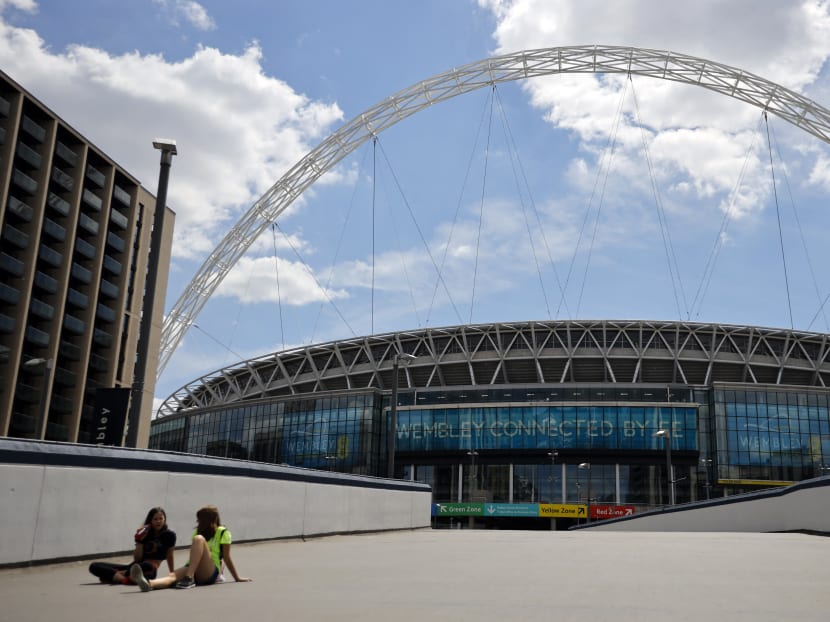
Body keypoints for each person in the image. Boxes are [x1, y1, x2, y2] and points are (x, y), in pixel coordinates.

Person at [131, 505, 251, 591]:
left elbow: (226, 557)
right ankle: (149, 583)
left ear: (211, 520)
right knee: (172, 576)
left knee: (199, 539)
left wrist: (237, 577)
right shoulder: (197, 532)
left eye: (200, 520)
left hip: (209, 571)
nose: (198, 522)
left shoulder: (223, 532)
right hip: (192, 568)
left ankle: (189, 578)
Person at [88, 507, 176, 584]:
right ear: (150, 521)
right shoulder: (145, 533)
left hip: (150, 568)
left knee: (146, 566)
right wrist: (139, 541)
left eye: (161, 518)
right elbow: (137, 559)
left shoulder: (169, 535)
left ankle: (117, 576)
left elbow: (170, 555)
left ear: (164, 519)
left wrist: (172, 574)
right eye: (155, 519)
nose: (158, 521)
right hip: (134, 567)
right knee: (94, 566)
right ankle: (125, 579)